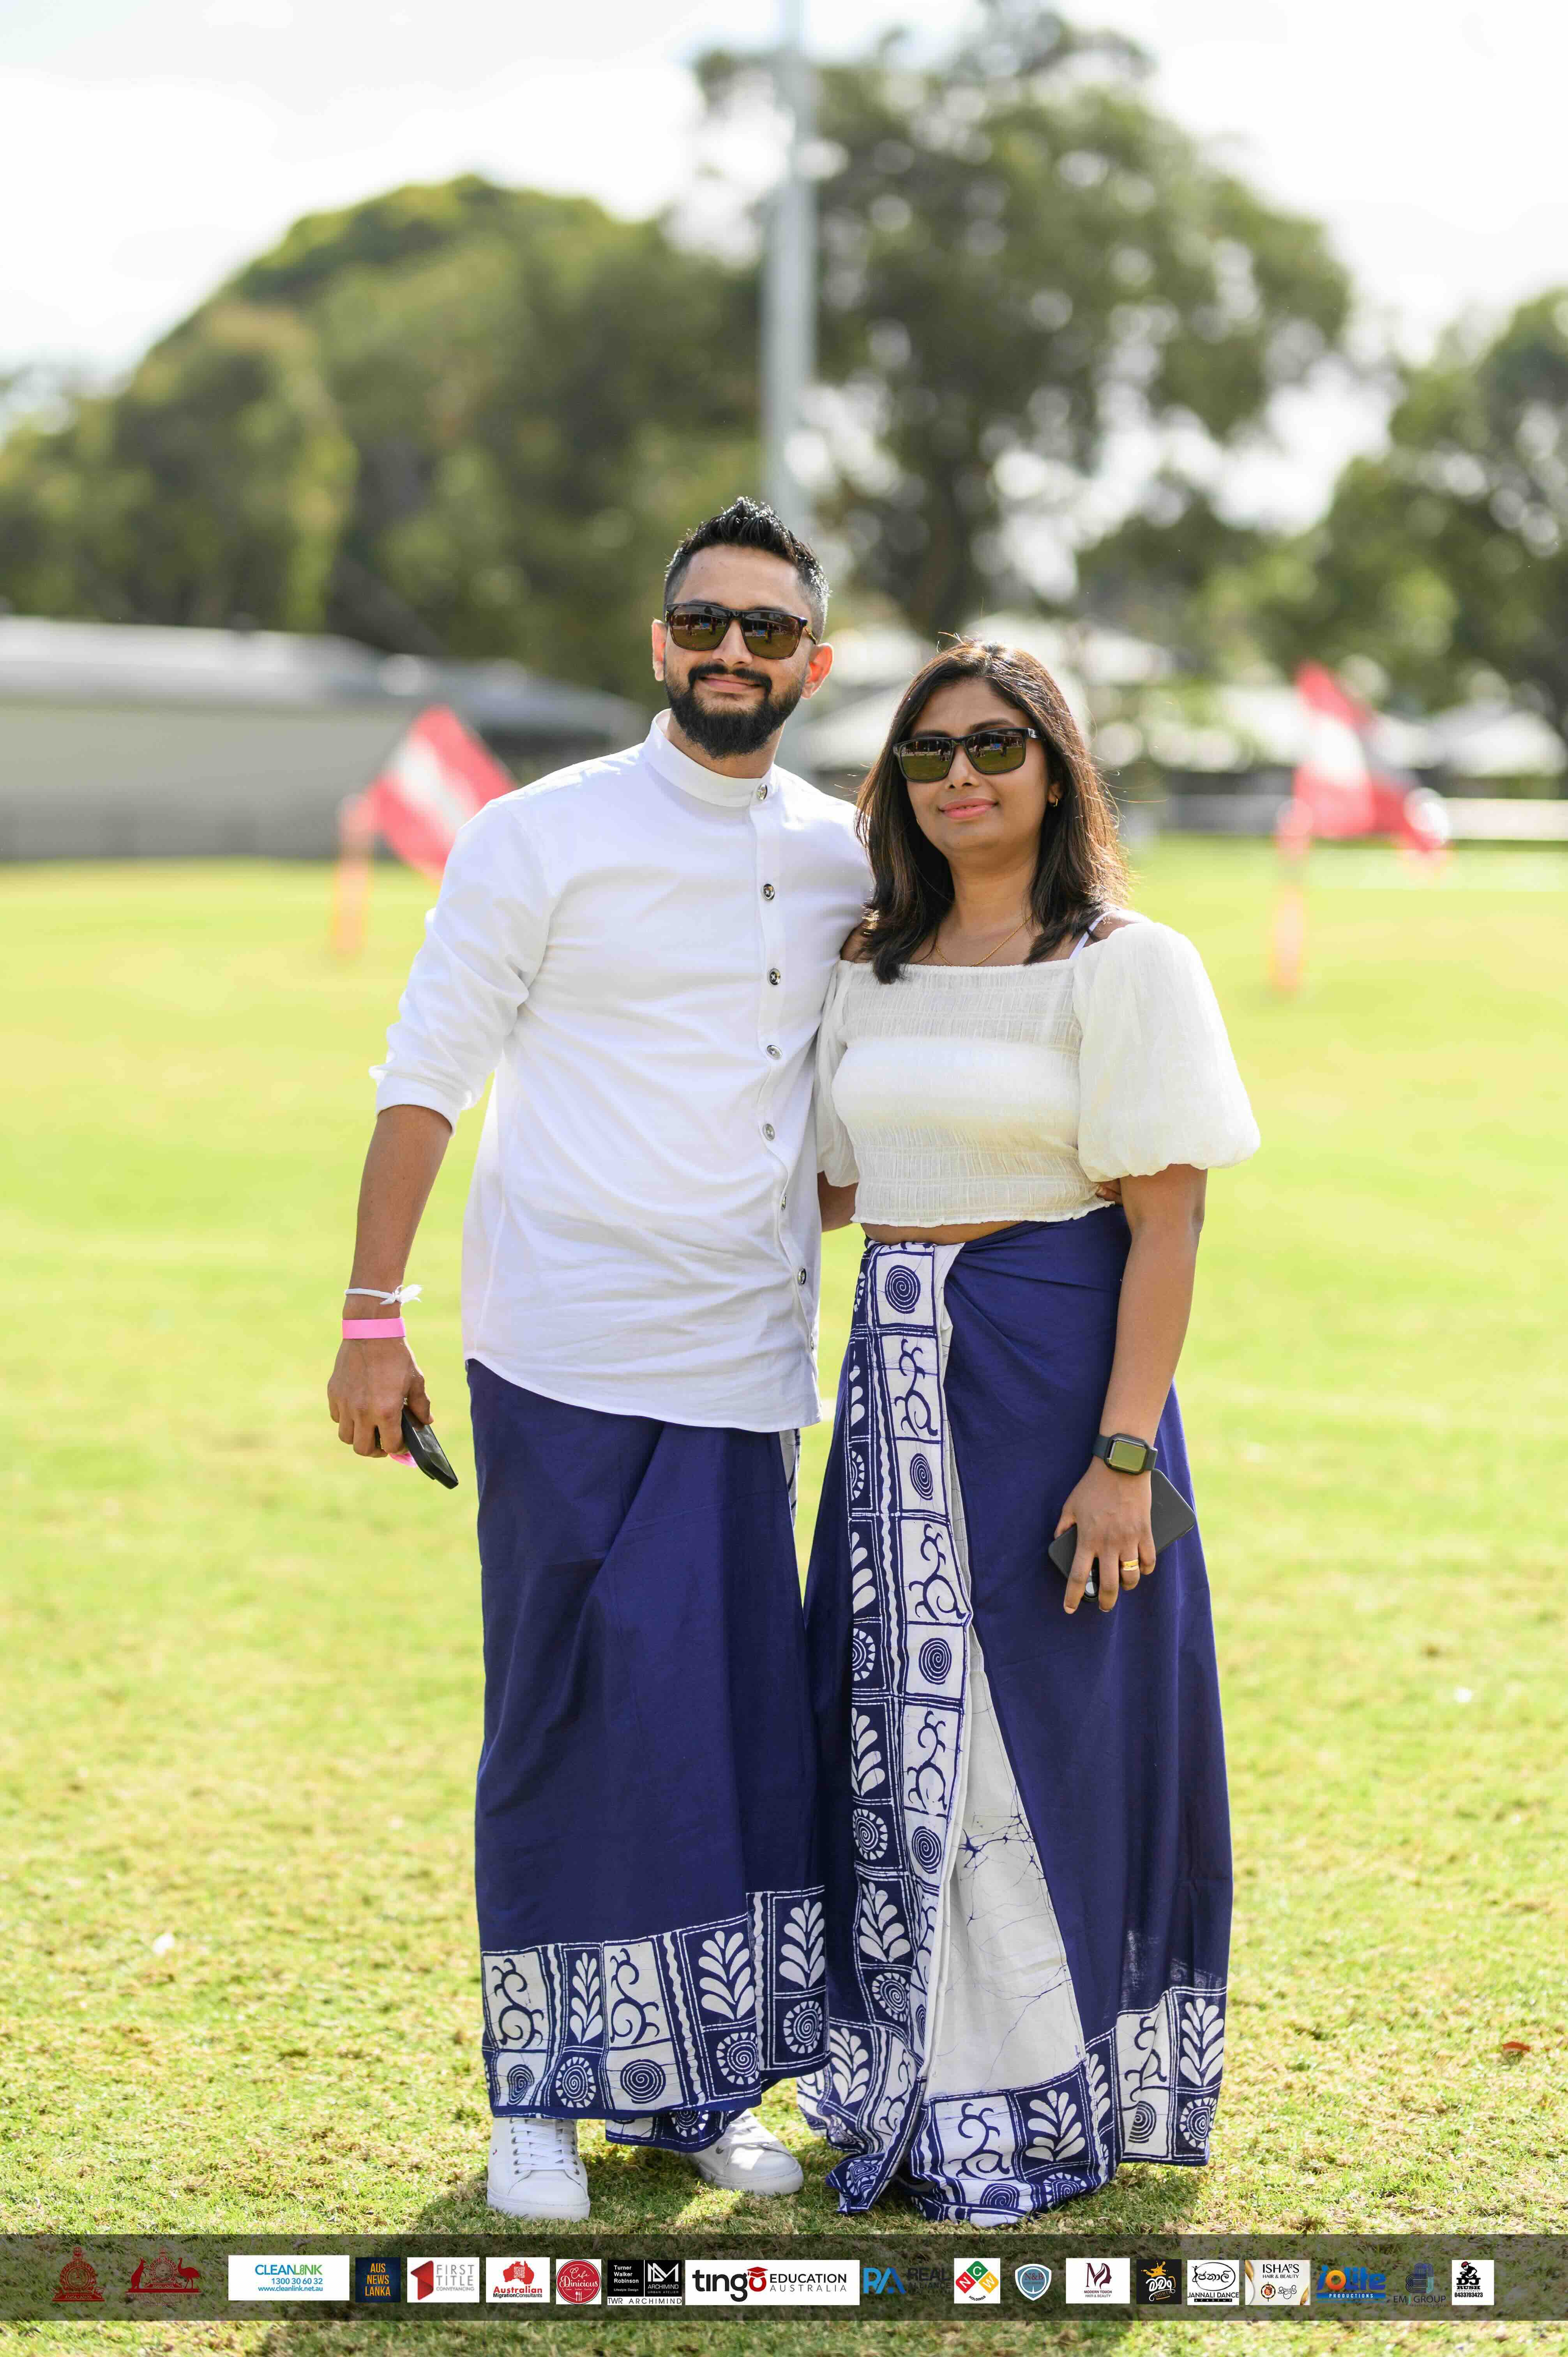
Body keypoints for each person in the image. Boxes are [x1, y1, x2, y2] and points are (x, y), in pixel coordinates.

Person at [325, 498, 870, 2221]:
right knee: (561, 1718)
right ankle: (539, 2100)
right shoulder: (536, 835)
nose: (731, 654)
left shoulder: (852, 854)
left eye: (765, 632)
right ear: (658, 643)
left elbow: (851, 1112)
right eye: (704, 623)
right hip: (558, 1351)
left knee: (720, 1726)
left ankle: (697, 2085)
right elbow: (425, 1077)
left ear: (811, 661)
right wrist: (368, 1315)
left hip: (747, 1362)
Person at [798, 639, 1259, 2221]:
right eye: (926, 756)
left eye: (994, 747)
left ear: (1055, 765)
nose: (961, 780)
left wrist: (1124, 1458)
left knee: (1040, 1717)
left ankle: (1044, 2092)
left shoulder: (1128, 961)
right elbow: (833, 1181)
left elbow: (1170, 1229)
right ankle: (914, 2084)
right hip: (892, 1385)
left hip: (1060, 1379)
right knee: (899, 1730)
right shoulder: (869, 960)